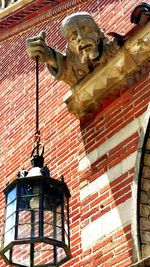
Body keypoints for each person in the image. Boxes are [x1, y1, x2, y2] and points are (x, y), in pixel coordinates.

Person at [27, 12, 112, 87]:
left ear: (97, 31)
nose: (81, 37)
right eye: (73, 37)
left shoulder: (114, 48)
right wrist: (47, 55)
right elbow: (65, 68)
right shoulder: (73, 71)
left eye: (86, 29)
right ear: (71, 46)